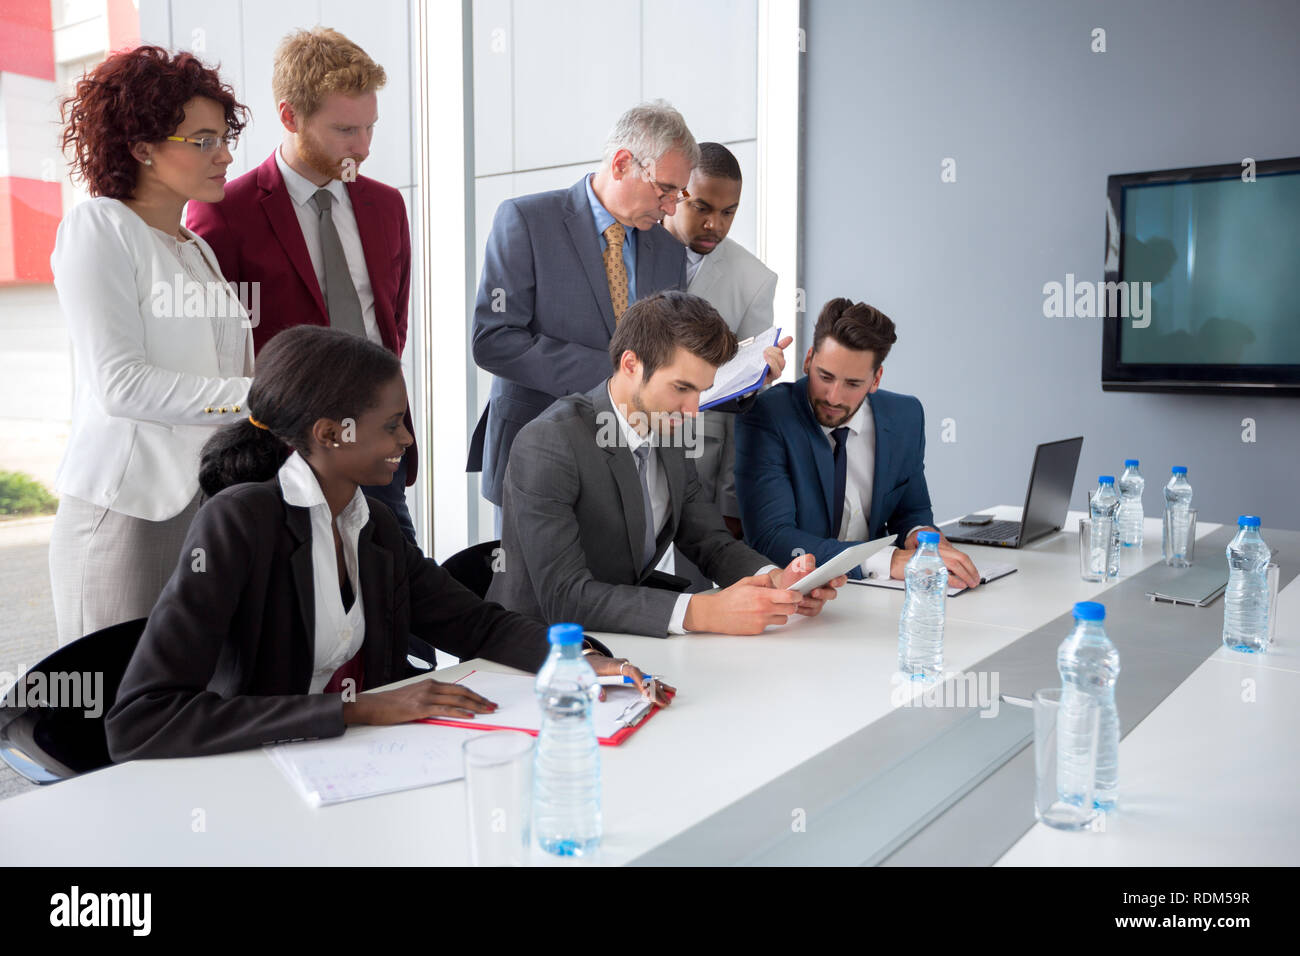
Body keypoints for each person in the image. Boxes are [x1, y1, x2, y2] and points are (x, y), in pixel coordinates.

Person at [106, 326, 669, 761]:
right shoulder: (240, 523)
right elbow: (143, 719)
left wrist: (580, 661)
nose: (407, 440)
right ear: (330, 434)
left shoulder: (368, 522)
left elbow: (477, 625)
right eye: (392, 424)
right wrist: (357, 710)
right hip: (256, 779)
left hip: (357, 765)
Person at [485, 291, 846, 638]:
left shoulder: (666, 427)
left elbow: (708, 540)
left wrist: (775, 580)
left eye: (701, 391)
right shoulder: (550, 442)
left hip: (626, 641)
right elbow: (565, 597)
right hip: (533, 655)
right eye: (681, 388)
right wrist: (706, 612)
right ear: (631, 364)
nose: (692, 411)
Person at [48, 46, 254, 646]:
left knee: (180, 710)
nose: (224, 155)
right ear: (141, 148)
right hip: (128, 512)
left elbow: (221, 367)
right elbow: (121, 385)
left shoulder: (195, 247)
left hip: (204, 507)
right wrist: (261, 398)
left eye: (224, 137)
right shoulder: (100, 227)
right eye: (203, 140)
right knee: (108, 720)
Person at [186, 27, 418, 542]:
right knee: (296, 611)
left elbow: (391, 322)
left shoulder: (386, 205)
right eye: (344, 131)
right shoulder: (224, 213)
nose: (363, 147)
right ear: (290, 116)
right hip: (283, 459)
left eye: (369, 128)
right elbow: (217, 345)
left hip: (379, 450)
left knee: (401, 591)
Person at [468, 100, 695, 525]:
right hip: (534, 451)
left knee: (610, 591)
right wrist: (615, 378)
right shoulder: (525, 221)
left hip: (628, 462)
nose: (670, 207)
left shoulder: (667, 251)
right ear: (623, 163)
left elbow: (666, 352)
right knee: (525, 591)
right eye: (664, 189)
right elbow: (494, 341)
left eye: (677, 194)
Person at [735, 298, 981, 587]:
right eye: (824, 376)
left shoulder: (905, 416)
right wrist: (886, 560)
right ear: (808, 360)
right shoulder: (769, 414)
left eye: (852, 384)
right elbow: (772, 536)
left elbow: (912, 511)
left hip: (877, 594)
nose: (833, 397)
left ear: (876, 379)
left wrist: (922, 537)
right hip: (796, 595)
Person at [659, 141, 785, 589]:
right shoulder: (632, 244)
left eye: (729, 212)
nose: (715, 224)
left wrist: (732, 502)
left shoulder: (754, 281)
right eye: (702, 207)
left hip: (700, 464)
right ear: (677, 194)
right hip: (619, 438)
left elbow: (749, 407)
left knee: (694, 594)